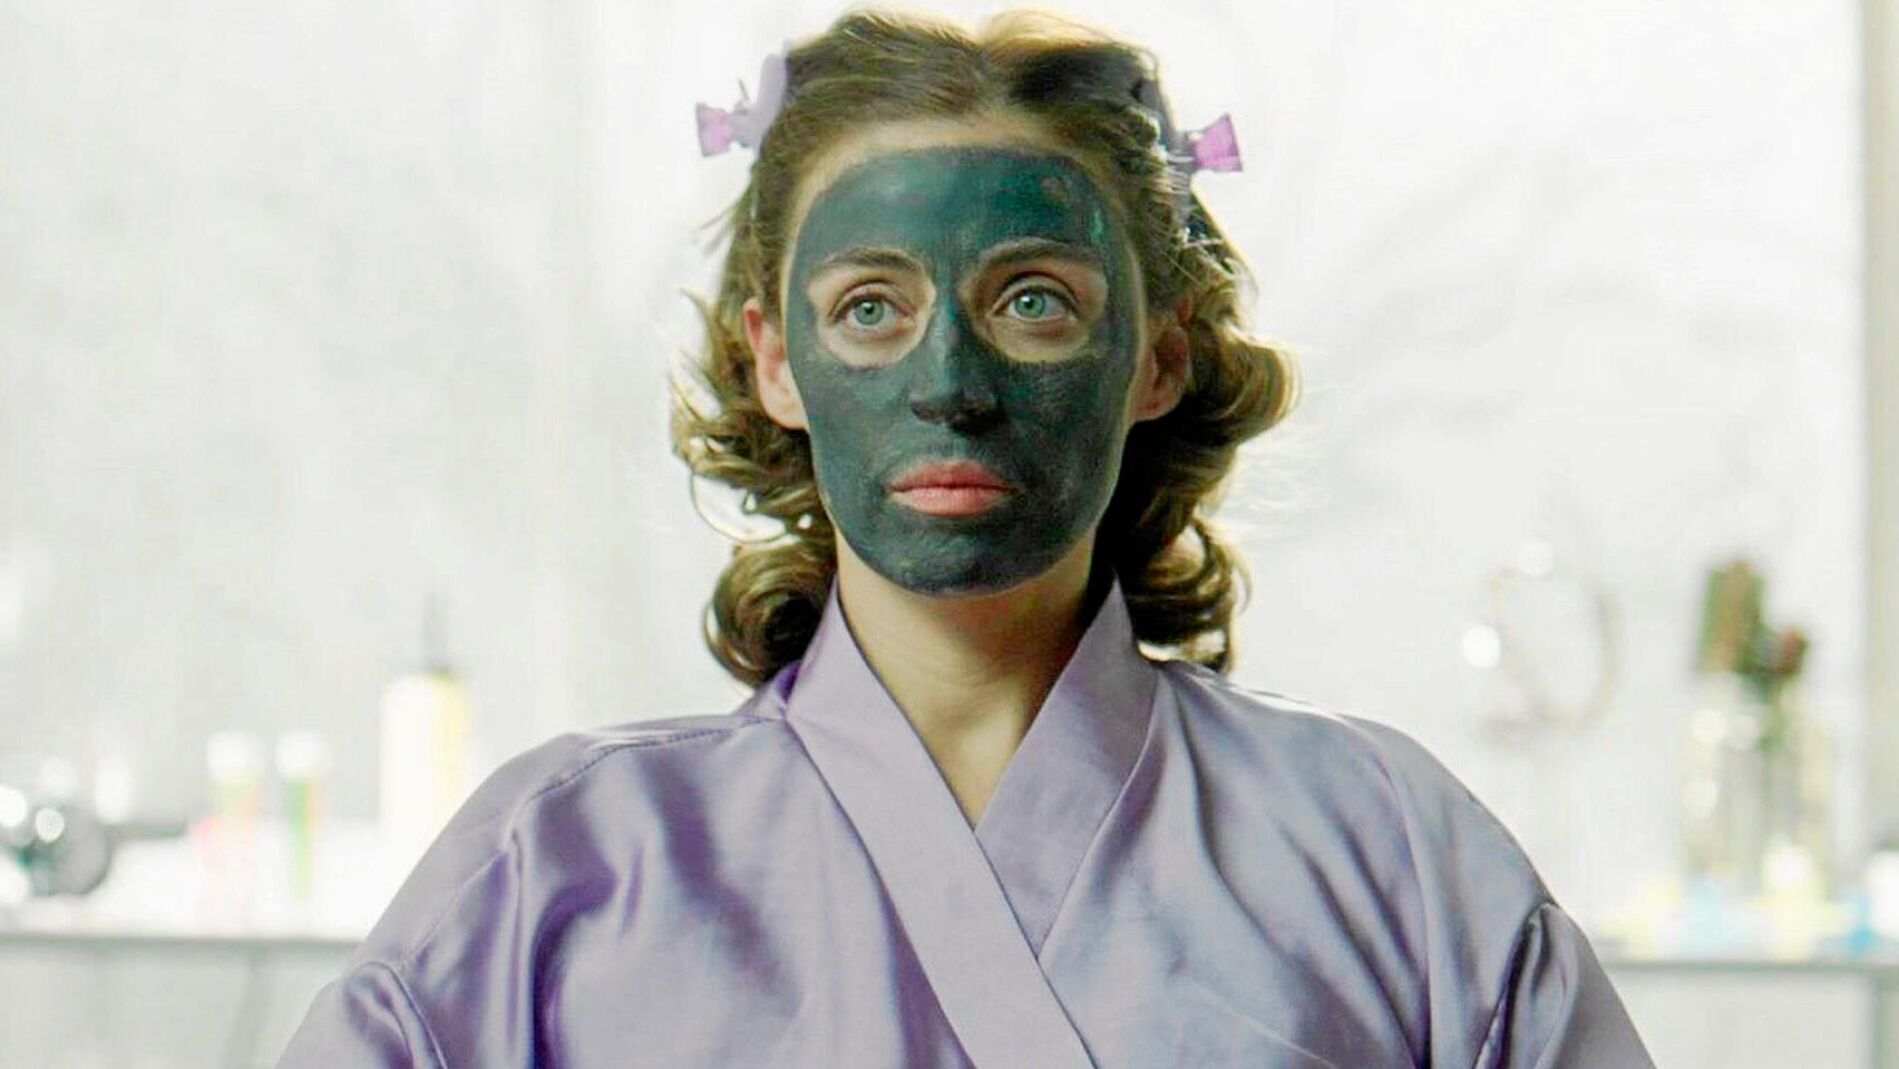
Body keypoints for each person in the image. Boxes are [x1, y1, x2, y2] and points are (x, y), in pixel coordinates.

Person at [279, 7, 1656, 1066]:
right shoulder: (562, 866)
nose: (949, 383)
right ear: (774, 359)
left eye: (1033, 301)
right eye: (870, 307)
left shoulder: (1388, 852)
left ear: (1159, 354)